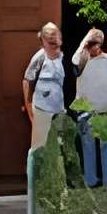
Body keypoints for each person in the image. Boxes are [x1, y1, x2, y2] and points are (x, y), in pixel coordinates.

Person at [72, 26, 107, 186]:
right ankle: (91, 180)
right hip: (87, 111)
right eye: (91, 43)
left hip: (105, 110)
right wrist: (84, 42)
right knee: (88, 147)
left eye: (97, 43)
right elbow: (74, 62)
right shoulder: (82, 61)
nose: (95, 46)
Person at [22, 21, 68, 168]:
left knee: (58, 148)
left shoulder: (61, 57)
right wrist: (29, 106)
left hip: (58, 109)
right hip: (42, 107)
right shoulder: (40, 56)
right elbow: (27, 80)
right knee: (38, 149)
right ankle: (35, 188)